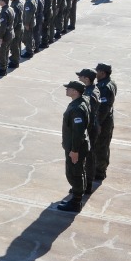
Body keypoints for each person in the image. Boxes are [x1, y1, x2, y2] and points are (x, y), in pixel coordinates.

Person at [57, 81, 92, 212]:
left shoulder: (77, 108)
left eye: (69, 89)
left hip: (76, 147)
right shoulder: (82, 101)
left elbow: (78, 132)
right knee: (78, 171)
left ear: (75, 92)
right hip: (76, 146)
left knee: (74, 173)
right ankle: (77, 195)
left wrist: (74, 150)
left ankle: (76, 202)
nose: (66, 90)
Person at [92, 63, 117, 183]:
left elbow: (104, 108)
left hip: (104, 122)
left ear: (103, 73)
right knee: (102, 145)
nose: (95, 73)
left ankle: (100, 172)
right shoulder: (109, 83)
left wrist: (98, 124)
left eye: (97, 71)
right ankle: (99, 169)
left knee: (101, 146)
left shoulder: (105, 87)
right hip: (106, 120)